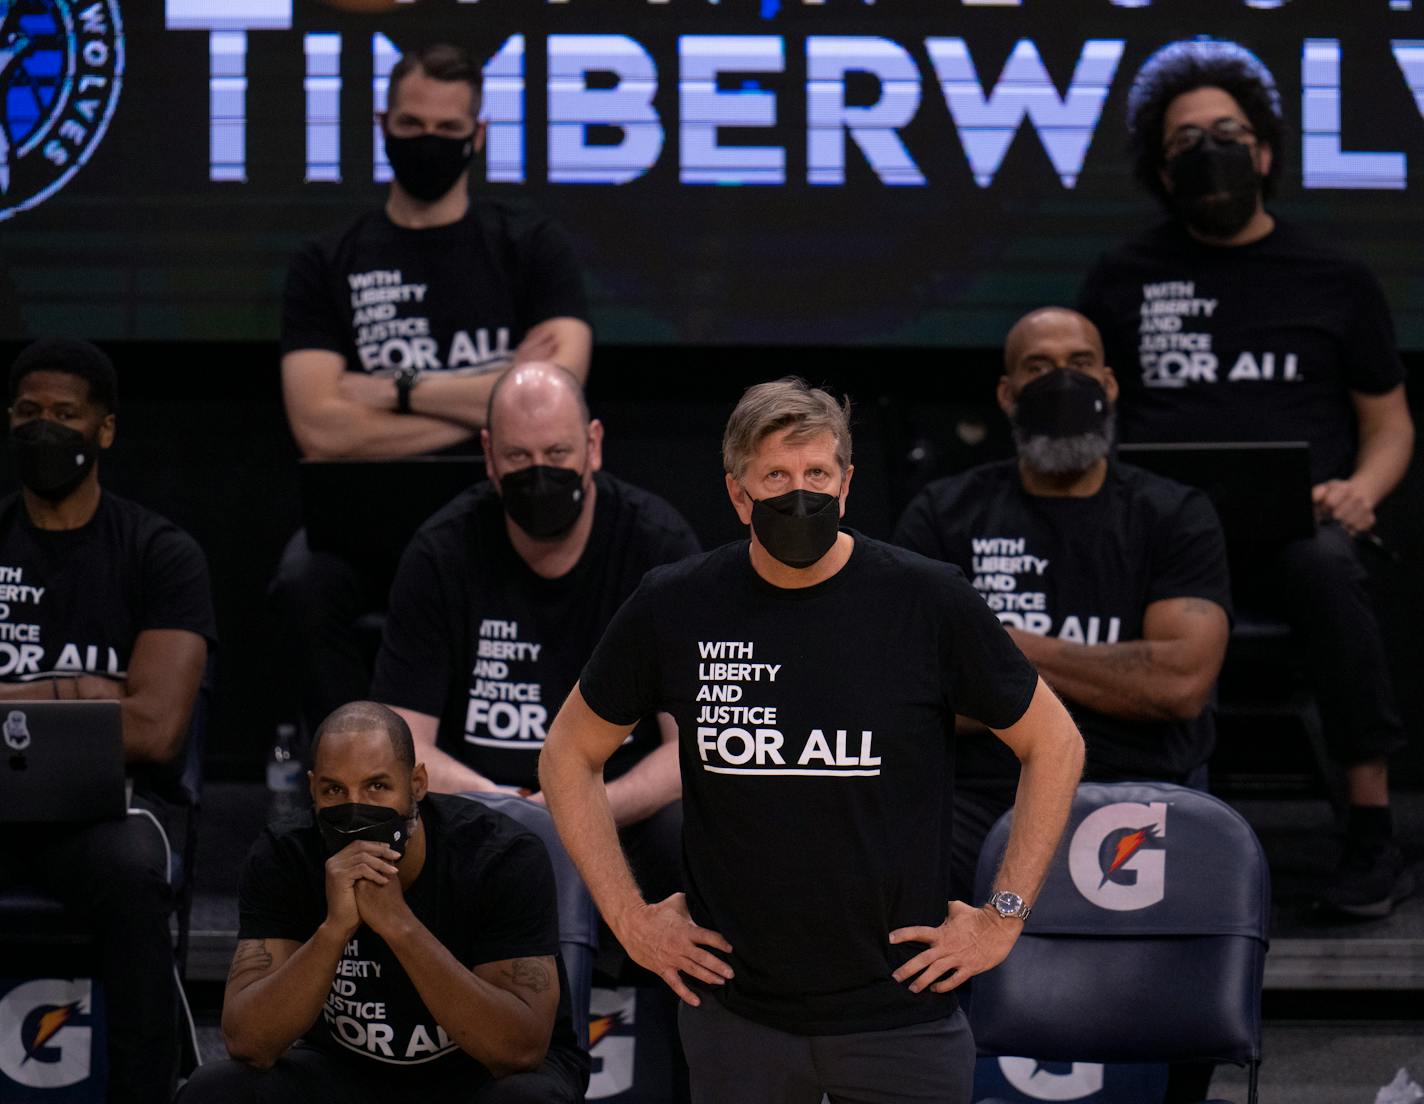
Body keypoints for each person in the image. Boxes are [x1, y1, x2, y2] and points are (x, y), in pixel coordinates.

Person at [538, 378, 1086, 1104]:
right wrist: (629, 918)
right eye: (777, 477)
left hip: (902, 1013)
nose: (801, 495)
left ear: (848, 483)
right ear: (739, 495)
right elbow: (567, 755)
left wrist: (1002, 918)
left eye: (818, 475)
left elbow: (1055, 743)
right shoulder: (675, 604)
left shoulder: (926, 599)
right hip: (738, 1013)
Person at [1078, 39, 1416, 917]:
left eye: (1228, 133)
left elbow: (1388, 424)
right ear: (1162, 166)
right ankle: (1109, 831)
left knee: (1329, 569)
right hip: (1163, 537)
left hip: (1303, 532)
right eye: (1188, 140)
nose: (1211, 151)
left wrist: (1362, 491)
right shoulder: (1123, 278)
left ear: (1264, 150)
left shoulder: (1334, 276)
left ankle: (1374, 832)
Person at [271, 42, 592, 734]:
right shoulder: (327, 261)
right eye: (412, 126)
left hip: (506, 522)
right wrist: (500, 396)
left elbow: (558, 393)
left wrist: (396, 389)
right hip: (363, 532)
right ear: (384, 122)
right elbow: (321, 427)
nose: (429, 142)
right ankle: (355, 784)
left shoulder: (531, 247)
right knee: (302, 583)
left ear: (478, 136)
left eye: (449, 131)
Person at [894, 306, 1231, 900]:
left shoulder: (1174, 514)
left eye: (1080, 365)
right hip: (978, 798)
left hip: (1136, 792)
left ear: (1109, 384)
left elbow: (1180, 682)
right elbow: (909, 689)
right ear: (1007, 392)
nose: (1062, 381)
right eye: (1039, 367)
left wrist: (1002, 650)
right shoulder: (943, 514)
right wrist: (1114, 679)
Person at [372, 361, 699, 907]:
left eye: (557, 454)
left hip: (622, 809)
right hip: (479, 809)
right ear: (490, 457)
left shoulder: (657, 548)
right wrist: (509, 806)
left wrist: (583, 810)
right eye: (519, 458)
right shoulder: (442, 553)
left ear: (593, 446)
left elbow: (691, 743)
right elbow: (403, 740)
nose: (540, 474)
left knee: (694, 830)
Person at [176, 701, 589, 1103]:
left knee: (529, 1096)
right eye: (334, 790)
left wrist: (399, 926)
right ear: (312, 792)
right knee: (216, 1089)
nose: (356, 811)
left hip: (474, 1074)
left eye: (377, 786)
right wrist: (333, 931)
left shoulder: (501, 857)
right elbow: (248, 1041)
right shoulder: (285, 857)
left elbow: (518, 1051)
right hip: (347, 1070)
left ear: (417, 785)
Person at [0, 337, 215, 1104]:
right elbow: (121, 708)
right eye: (29, 413)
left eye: (66, 414)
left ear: (106, 430)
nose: (45, 429)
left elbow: (155, 729)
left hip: (100, 810)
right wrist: (80, 691)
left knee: (131, 873)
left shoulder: (160, 554)